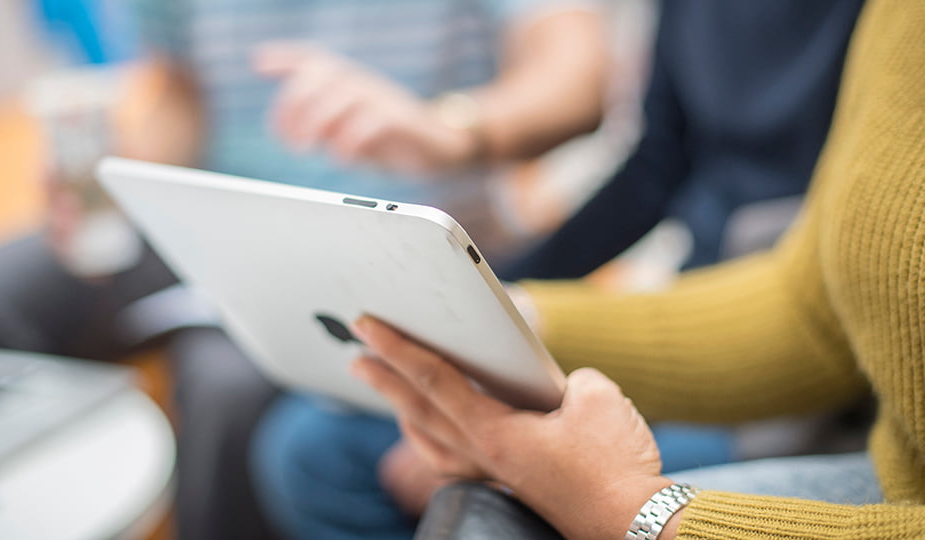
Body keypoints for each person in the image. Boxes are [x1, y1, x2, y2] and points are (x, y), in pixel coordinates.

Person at [0, 1, 606, 539]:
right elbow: (185, 89)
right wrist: (122, 174)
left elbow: (577, 78)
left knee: (227, 390)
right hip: (211, 208)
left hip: (396, 237)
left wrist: (447, 127)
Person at [249, 2, 868, 538]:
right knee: (314, 437)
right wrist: (492, 292)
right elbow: (654, 171)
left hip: (792, 379)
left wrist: (621, 506)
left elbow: (811, 307)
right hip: (705, 302)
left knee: (330, 455)